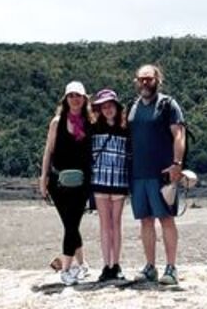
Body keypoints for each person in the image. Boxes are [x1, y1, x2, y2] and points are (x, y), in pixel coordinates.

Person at [128, 63, 186, 286]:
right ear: (136, 82)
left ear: (157, 80)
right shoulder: (132, 108)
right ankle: (150, 266)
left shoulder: (168, 105)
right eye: (141, 79)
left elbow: (179, 134)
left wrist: (177, 164)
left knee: (166, 219)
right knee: (145, 221)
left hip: (162, 174)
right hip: (138, 174)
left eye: (149, 79)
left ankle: (171, 268)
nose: (145, 83)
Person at [39, 81, 93, 285]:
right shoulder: (57, 122)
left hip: (82, 183)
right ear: (65, 99)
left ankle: (67, 268)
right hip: (58, 181)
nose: (75, 99)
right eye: (71, 95)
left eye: (78, 95)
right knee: (70, 224)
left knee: (72, 224)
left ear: (84, 98)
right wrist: (43, 178)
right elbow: (48, 152)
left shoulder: (91, 123)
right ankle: (82, 264)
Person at [89, 88, 130, 282]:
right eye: (103, 107)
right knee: (105, 225)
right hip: (100, 181)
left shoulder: (126, 128)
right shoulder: (93, 128)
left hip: (119, 181)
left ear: (116, 107)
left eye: (110, 106)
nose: (107, 110)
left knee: (116, 224)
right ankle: (107, 265)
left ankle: (116, 264)